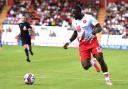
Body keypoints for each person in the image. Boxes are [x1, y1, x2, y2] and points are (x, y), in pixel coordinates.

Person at [63, 5, 112, 86]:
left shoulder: (89, 18)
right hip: (83, 45)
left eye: (74, 14)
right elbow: (76, 33)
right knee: (85, 66)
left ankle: (107, 79)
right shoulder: (74, 21)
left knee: (100, 58)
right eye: (72, 14)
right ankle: (92, 62)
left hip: (93, 42)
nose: (73, 16)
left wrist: (94, 32)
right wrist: (68, 42)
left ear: (79, 12)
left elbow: (99, 28)